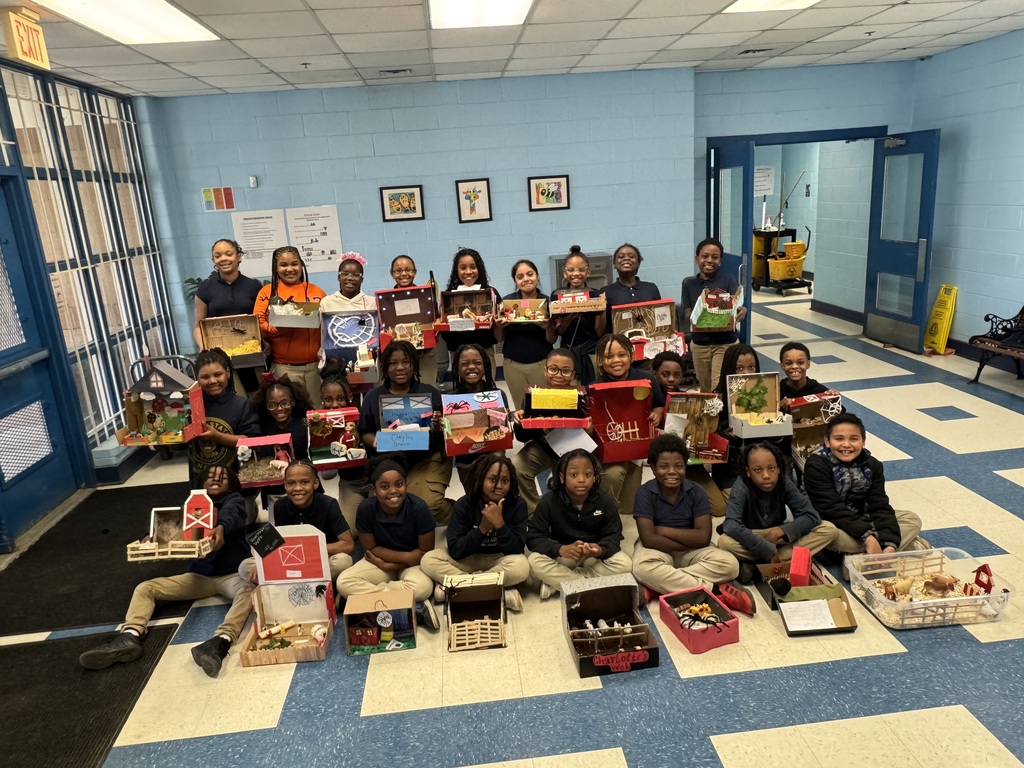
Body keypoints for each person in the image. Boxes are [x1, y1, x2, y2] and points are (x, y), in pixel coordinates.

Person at [79, 465, 252, 678]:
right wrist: (150, 537)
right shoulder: (193, 505)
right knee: (145, 588)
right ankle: (130, 635)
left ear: (232, 483)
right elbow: (169, 526)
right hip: (199, 576)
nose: (215, 480)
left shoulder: (234, 500)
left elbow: (232, 513)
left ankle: (220, 642)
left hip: (231, 574)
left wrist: (222, 527)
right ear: (200, 483)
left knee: (248, 592)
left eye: (223, 477)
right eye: (210, 477)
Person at [631, 435, 752, 614]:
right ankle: (715, 591)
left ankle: (658, 586)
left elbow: (703, 538)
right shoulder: (644, 493)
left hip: (692, 552)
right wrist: (688, 538)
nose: (672, 472)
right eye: (664, 466)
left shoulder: (697, 491)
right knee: (641, 567)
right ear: (654, 468)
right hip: (657, 551)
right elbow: (648, 540)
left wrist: (662, 530)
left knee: (731, 564)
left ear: (685, 467)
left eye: (678, 466)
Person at [336, 456, 439, 630]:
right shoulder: (366, 509)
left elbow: (424, 554)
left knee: (423, 587)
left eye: (399, 484)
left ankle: (367, 598)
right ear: (374, 490)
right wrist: (392, 563)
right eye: (384, 487)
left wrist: (388, 563)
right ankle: (413, 605)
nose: (393, 491)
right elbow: (370, 548)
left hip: (410, 565)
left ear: (406, 484)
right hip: (381, 563)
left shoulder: (420, 508)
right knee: (344, 581)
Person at [804, 413, 928, 557]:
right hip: (830, 520)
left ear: (863, 442)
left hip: (861, 518)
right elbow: (829, 508)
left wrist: (890, 545)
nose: (846, 445)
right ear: (827, 441)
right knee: (828, 532)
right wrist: (867, 537)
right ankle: (900, 546)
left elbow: (878, 505)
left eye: (854, 439)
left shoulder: (872, 465)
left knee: (911, 519)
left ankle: (865, 556)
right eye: (839, 439)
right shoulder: (816, 464)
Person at [420, 453, 529, 612]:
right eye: (492, 480)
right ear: (480, 479)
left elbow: (517, 549)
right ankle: (498, 592)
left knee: (522, 567)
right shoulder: (464, 504)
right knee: (428, 560)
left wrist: (500, 524)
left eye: (505, 481)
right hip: (468, 559)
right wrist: (483, 528)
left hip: (499, 558)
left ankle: (458, 588)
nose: (499, 486)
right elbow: (456, 550)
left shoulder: (518, 505)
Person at [358, 340, 452, 523]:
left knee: (427, 506)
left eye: (406, 362)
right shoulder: (373, 397)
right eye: (393, 363)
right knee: (388, 507)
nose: (400, 368)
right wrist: (376, 441)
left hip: (427, 459)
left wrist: (441, 427)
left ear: (414, 365)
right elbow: (364, 432)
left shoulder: (430, 393)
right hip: (388, 462)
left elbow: (448, 430)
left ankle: (458, 514)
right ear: (385, 367)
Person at [718, 442, 837, 583]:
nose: (766, 475)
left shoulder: (783, 482)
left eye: (771, 468)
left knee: (829, 529)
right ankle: (778, 558)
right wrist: (766, 548)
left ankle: (760, 563)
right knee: (725, 542)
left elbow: (811, 515)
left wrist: (782, 531)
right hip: (752, 535)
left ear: (779, 469)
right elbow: (731, 525)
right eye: (757, 470)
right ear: (748, 472)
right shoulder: (741, 486)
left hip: (779, 537)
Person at [526, 449, 631, 600]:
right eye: (574, 475)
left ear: (594, 477)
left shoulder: (604, 499)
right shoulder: (549, 501)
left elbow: (614, 535)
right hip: (564, 556)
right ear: (562, 478)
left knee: (625, 564)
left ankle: (560, 584)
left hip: (592, 558)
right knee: (533, 561)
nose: (581, 480)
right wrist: (560, 549)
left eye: (588, 474)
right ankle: (583, 585)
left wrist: (600, 550)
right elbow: (534, 537)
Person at [239, 460, 355, 584]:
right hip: (290, 559)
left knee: (343, 561)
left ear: (315, 483)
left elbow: (348, 545)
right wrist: (263, 563)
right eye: (291, 483)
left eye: (305, 482)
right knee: (245, 567)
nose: (298, 488)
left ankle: (292, 580)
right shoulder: (279, 506)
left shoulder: (329, 504)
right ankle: (306, 579)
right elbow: (276, 541)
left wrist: (309, 548)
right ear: (285, 485)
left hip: (321, 557)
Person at [593, 333, 665, 517]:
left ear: (632, 356)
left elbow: (659, 403)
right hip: (610, 449)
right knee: (613, 479)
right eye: (609, 357)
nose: (616, 361)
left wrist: (657, 414)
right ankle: (603, 511)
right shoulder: (594, 387)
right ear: (600, 361)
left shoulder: (647, 379)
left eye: (622, 355)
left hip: (636, 447)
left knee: (629, 508)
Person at [652, 348, 727, 517]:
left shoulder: (689, 400)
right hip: (661, 464)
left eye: (677, 375)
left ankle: (688, 496)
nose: (671, 379)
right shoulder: (650, 399)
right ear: (654, 373)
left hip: (690, 462)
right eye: (665, 374)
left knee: (719, 509)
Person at [511, 349, 587, 513]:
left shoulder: (582, 397)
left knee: (572, 483)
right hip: (543, 449)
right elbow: (523, 437)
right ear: (545, 371)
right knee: (517, 465)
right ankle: (535, 512)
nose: (558, 375)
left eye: (565, 371)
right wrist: (520, 422)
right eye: (553, 369)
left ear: (573, 374)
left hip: (573, 450)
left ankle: (573, 512)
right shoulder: (535, 395)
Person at [253, 246, 326, 406]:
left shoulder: (317, 292)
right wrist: (282, 328)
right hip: (284, 368)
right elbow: (258, 325)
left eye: (294, 264)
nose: (290, 269)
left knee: (318, 413)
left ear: (301, 265)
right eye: (283, 265)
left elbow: (327, 325)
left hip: (316, 367)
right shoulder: (267, 292)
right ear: (276, 268)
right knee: (289, 413)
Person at [193, 238, 264, 394]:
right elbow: (198, 326)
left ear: (239, 256)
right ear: (213, 260)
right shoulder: (205, 288)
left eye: (229, 254)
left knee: (258, 398)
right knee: (234, 398)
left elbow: (262, 320)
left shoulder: (254, 286)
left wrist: (265, 343)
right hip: (221, 359)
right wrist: (204, 349)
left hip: (251, 356)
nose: (223, 259)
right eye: (218, 256)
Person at [681, 237, 748, 392]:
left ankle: (721, 416)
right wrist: (699, 316)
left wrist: (741, 311)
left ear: (720, 261)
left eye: (715, 257)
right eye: (705, 256)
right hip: (699, 344)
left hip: (725, 343)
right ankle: (708, 416)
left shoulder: (728, 279)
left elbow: (737, 305)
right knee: (704, 387)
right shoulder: (688, 284)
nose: (709, 260)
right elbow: (687, 312)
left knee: (718, 386)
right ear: (697, 259)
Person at [187, 347, 260, 489]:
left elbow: (252, 442)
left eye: (218, 374)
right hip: (201, 484)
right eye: (205, 377)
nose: (212, 381)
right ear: (197, 379)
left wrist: (218, 437)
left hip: (238, 483)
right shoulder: (191, 406)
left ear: (227, 373)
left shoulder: (242, 405)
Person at [495, 259, 556, 410]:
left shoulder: (547, 302)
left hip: (541, 364)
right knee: (521, 409)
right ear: (515, 281)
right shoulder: (507, 302)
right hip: (513, 366)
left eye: (530, 274)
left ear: (538, 276)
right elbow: (499, 338)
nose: (526, 279)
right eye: (520, 276)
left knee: (544, 409)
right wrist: (498, 327)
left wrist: (548, 327)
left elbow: (552, 339)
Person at [449, 343, 510, 486]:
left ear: (486, 367)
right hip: (465, 460)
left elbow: (503, 434)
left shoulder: (498, 396)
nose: (471, 367)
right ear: (457, 368)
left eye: (477, 363)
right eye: (465, 364)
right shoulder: (449, 400)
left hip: (493, 456)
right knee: (473, 499)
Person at [249, 375, 314, 507]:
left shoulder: (303, 425)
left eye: (284, 403)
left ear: (293, 402)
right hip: (274, 490)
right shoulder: (263, 428)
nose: (279, 409)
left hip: (303, 487)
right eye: (272, 405)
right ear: (266, 406)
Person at [319, 361, 367, 531]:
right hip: (350, 483)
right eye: (328, 400)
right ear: (321, 400)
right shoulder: (319, 425)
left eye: (340, 399)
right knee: (350, 531)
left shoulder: (362, 416)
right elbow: (327, 472)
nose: (334, 405)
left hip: (373, 479)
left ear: (350, 398)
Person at [711, 343, 761, 496]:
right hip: (729, 468)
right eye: (739, 369)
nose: (746, 373)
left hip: (759, 465)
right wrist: (722, 434)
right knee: (737, 501)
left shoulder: (767, 394)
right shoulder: (716, 399)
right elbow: (708, 435)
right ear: (729, 369)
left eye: (751, 367)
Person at [601, 242, 661, 369]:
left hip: (650, 353)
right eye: (621, 257)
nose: (626, 259)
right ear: (614, 264)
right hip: (619, 356)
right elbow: (603, 329)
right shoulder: (605, 292)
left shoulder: (651, 288)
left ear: (639, 262)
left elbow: (660, 321)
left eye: (631, 256)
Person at [552, 245, 606, 386]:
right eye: (571, 270)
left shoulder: (596, 294)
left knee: (592, 391)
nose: (576, 273)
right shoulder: (557, 296)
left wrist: (602, 308)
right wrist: (567, 320)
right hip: (569, 351)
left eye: (581, 269)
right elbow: (558, 331)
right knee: (572, 393)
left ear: (588, 272)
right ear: (565, 273)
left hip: (591, 352)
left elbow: (599, 331)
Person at [440, 247, 498, 375]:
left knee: (486, 390)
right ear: (456, 270)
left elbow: (497, 331)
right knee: (462, 392)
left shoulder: (491, 293)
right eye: (463, 267)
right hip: (458, 354)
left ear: (480, 269)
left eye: (473, 267)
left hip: (485, 352)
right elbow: (444, 333)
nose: (468, 272)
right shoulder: (448, 297)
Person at [387, 254, 436, 389]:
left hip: (424, 356)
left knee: (427, 393)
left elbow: (435, 322)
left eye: (408, 270)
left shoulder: (426, 296)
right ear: (392, 274)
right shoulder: (386, 300)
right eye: (398, 270)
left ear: (415, 272)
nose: (404, 274)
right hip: (399, 360)